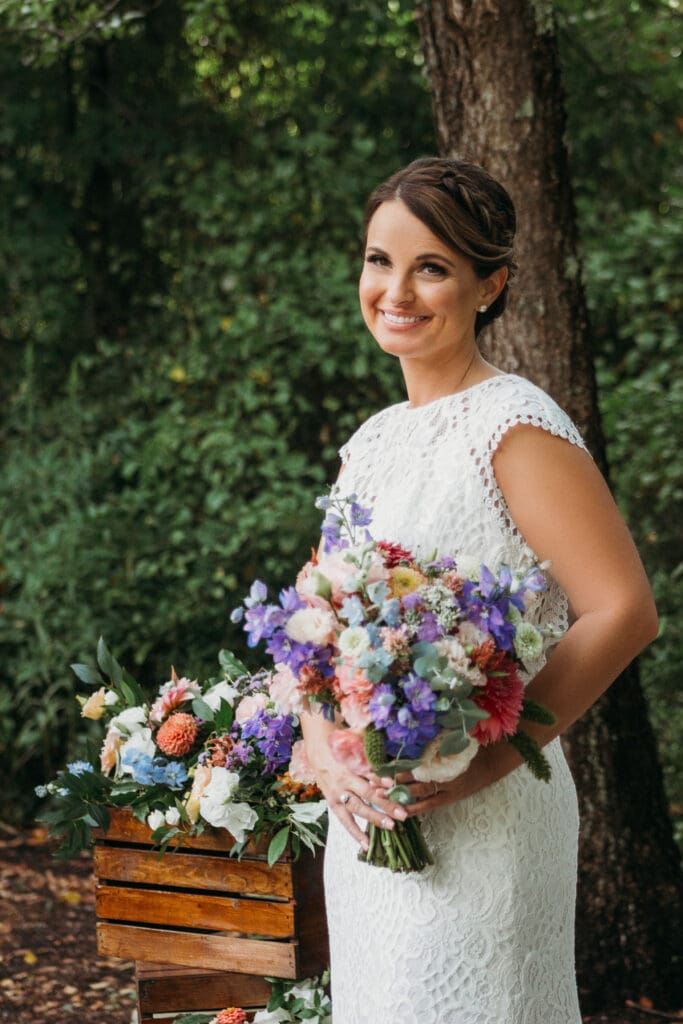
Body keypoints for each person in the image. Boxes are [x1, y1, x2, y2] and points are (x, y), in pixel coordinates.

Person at [300, 156, 658, 1023]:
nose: (397, 290)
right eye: (380, 260)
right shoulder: (373, 441)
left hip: (487, 820)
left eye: (432, 268)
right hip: (370, 827)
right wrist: (321, 743)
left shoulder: (513, 428)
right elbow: (315, 624)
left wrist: (492, 760)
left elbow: (624, 609)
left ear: (489, 285)